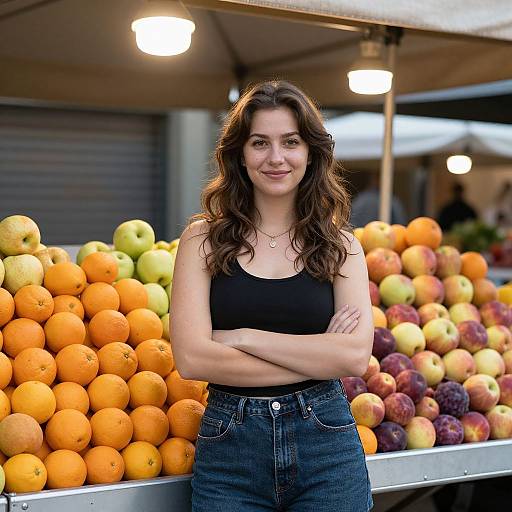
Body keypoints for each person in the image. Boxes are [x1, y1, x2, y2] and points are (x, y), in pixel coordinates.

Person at [170, 80, 374, 512]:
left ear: (311, 152)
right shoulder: (202, 241)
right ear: (240, 155)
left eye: (291, 142)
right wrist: (319, 352)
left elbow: (354, 358)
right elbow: (192, 359)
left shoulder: (342, 247)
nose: (276, 157)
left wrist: (243, 336)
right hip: (230, 450)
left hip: (327, 449)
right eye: (260, 142)